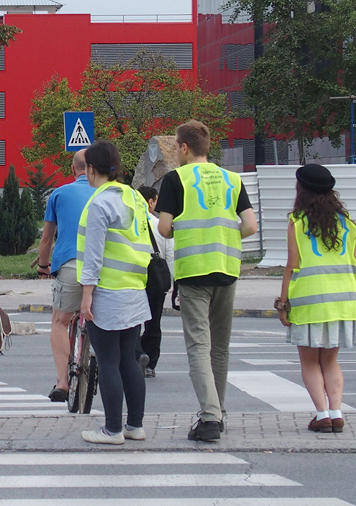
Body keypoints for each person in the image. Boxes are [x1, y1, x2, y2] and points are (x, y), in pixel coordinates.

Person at [157, 120, 257, 442]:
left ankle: (209, 417)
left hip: (194, 271)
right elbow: (251, 226)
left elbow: (164, 228)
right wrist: (224, 235)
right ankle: (219, 410)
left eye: (176, 145)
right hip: (227, 269)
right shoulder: (231, 179)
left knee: (198, 345)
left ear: (184, 148)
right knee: (220, 346)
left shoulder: (176, 179)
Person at [274, 164, 356, 433]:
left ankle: (321, 414)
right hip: (343, 300)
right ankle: (337, 412)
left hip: (309, 301)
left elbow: (292, 265)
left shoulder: (298, 223)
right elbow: (355, 262)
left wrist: (283, 303)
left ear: (302, 189)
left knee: (310, 361)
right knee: (331, 361)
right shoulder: (348, 224)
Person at [75, 141, 151, 445]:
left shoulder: (99, 203)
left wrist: (86, 296)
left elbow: (93, 255)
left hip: (107, 291)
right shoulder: (133, 197)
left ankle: (112, 429)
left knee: (107, 360)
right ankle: (135, 425)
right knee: (129, 360)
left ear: (91, 169)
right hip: (134, 288)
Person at [32, 148, 95, 402]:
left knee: (60, 321)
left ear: (73, 170)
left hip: (70, 265)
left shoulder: (59, 194)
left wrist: (43, 266)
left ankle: (62, 383)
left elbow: (47, 238)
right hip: (104, 268)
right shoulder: (109, 193)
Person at [134, 185, 174, 378]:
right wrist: (173, 282)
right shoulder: (159, 224)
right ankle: (150, 362)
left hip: (134, 275)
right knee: (153, 322)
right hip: (156, 278)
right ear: (150, 201)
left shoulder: (130, 221)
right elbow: (170, 254)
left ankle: (137, 353)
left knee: (132, 321)